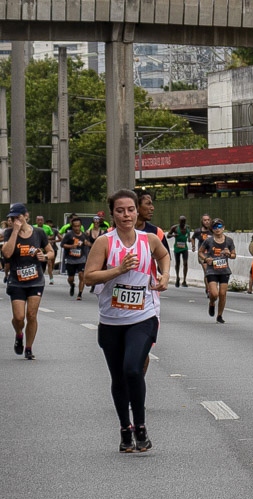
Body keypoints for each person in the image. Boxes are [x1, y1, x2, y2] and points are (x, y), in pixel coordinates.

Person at [84, 189, 169, 453]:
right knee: (118, 377)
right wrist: (119, 270)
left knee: (133, 368)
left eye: (130, 209)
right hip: (111, 320)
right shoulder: (105, 243)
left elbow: (164, 255)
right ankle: (125, 428)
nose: (126, 215)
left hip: (143, 317)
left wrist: (164, 276)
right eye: (120, 211)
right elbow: (89, 277)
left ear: (136, 211)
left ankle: (141, 426)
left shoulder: (149, 240)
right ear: (112, 214)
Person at [3, 203, 53, 359]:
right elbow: (7, 254)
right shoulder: (9, 232)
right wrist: (16, 231)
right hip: (16, 281)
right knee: (19, 318)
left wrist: (44, 257)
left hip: (35, 280)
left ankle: (29, 348)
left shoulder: (38, 233)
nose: (15, 220)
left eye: (18, 217)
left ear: (26, 216)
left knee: (31, 315)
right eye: (13, 218)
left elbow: (50, 251)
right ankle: (19, 334)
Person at [199, 218, 236, 323]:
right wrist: (206, 259)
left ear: (223, 228)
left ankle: (219, 315)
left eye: (219, 227)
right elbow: (200, 252)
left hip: (224, 270)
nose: (217, 229)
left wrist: (229, 254)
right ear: (212, 229)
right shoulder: (208, 241)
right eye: (215, 227)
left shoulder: (229, 240)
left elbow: (234, 255)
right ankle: (212, 303)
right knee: (215, 294)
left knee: (223, 293)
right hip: (212, 270)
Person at [60, 216, 88, 300]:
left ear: (81, 226)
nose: (77, 228)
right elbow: (62, 244)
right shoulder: (69, 235)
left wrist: (87, 243)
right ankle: (72, 285)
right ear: (72, 227)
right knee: (70, 278)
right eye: (75, 226)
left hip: (81, 259)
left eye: (78, 226)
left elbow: (89, 243)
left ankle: (80, 294)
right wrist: (71, 246)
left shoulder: (84, 235)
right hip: (71, 259)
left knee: (81, 275)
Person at [168, 215, 192, 287]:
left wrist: (189, 239)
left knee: (185, 263)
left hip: (184, 248)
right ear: (179, 221)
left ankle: (184, 280)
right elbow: (168, 235)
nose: (182, 223)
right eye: (181, 222)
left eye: (184, 222)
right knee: (177, 263)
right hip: (177, 248)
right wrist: (173, 235)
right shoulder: (175, 228)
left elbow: (188, 235)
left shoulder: (187, 227)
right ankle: (177, 277)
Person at [192, 214, 212, 290]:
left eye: (208, 220)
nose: (207, 222)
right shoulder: (198, 231)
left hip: (212, 254)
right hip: (202, 254)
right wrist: (193, 246)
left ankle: (211, 287)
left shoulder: (213, 230)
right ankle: (208, 289)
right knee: (207, 271)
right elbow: (193, 238)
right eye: (205, 220)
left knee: (212, 272)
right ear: (202, 222)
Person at [35, 214, 57, 284]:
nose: (40, 221)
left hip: (46, 248)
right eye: (38, 220)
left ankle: (51, 278)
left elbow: (52, 236)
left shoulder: (47, 227)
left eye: (41, 220)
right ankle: (37, 277)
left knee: (49, 263)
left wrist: (45, 238)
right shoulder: (33, 227)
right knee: (38, 264)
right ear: (36, 221)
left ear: (43, 221)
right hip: (37, 248)